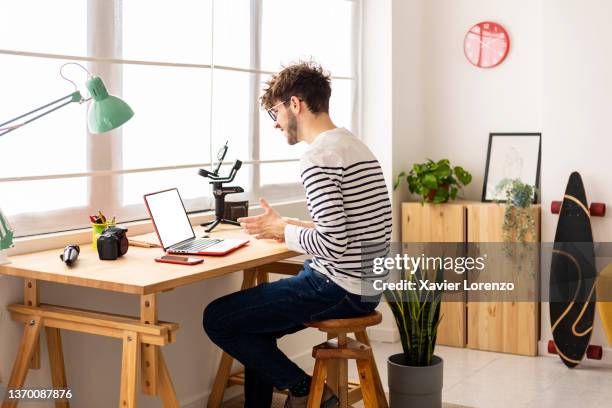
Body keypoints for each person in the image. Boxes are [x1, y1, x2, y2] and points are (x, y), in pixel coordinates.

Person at [203, 61, 392, 408]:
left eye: (275, 112)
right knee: (256, 328)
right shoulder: (355, 147)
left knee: (217, 319)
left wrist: (285, 231)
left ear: (295, 103)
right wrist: (288, 225)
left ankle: (307, 392)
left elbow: (334, 245)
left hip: (338, 287)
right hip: (365, 286)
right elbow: (351, 231)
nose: (275, 123)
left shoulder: (318, 158)